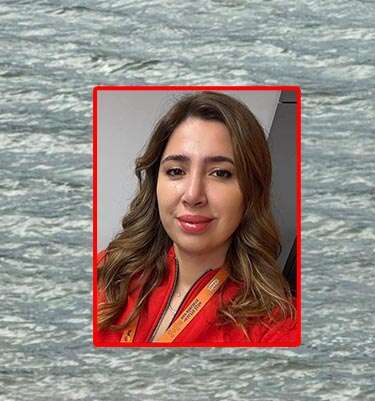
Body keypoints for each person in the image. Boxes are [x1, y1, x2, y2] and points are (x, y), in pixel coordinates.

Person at [95, 92, 298, 346]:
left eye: (221, 173)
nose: (192, 195)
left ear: (251, 191)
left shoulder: (276, 327)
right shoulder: (106, 271)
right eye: (176, 171)